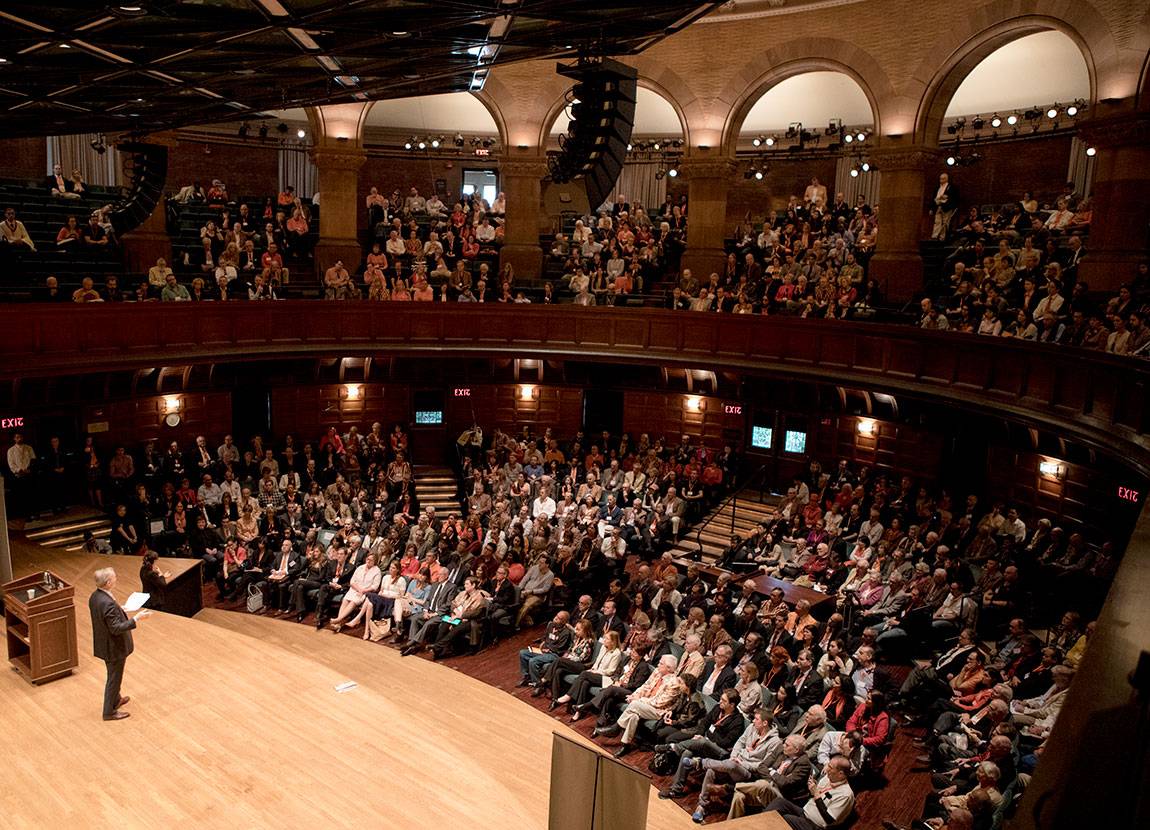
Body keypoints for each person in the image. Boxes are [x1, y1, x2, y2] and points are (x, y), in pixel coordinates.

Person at [89, 567, 151, 721]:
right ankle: (108, 712)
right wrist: (136, 618)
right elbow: (116, 628)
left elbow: (105, 616)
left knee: (114, 675)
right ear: (108, 582)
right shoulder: (107, 602)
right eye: (114, 577)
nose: (116, 579)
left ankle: (116, 700)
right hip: (113, 646)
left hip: (104, 643)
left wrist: (120, 610)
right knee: (114, 678)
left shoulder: (95, 596)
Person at [762, 755, 855, 829]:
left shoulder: (845, 794)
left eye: (830, 767)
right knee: (779, 802)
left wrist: (816, 795)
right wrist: (812, 788)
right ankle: (755, 824)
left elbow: (830, 819)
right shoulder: (828, 777)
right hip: (805, 812)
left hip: (814, 825)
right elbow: (816, 793)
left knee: (785, 819)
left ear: (840, 774)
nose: (826, 769)